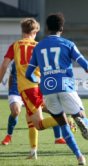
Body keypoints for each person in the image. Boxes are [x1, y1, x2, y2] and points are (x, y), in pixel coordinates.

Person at [26, 13, 88, 165]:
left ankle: (79, 156)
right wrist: (87, 69)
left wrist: (39, 80)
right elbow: (85, 65)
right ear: (61, 28)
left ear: (47, 28)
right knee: (81, 113)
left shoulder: (38, 46)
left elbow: (29, 74)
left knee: (62, 123)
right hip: (65, 85)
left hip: (48, 89)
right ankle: (79, 118)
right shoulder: (68, 44)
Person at [0, 18, 62, 159]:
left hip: (28, 88)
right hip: (36, 86)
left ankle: (65, 121)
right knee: (30, 118)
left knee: (39, 123)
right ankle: (33, 151)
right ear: (34, 32)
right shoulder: (40, 46)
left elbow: (4, 65)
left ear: (22, 31)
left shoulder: (15, 45)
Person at [1, 62, 66, 145]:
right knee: (15, 111)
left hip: (32, 92)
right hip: (16, 91)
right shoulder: (16, 62)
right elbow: (11, 76)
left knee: (53, 109)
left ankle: (58, 138)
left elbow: (42, 78)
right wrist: (10, 92)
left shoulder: (38, 61)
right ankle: (9, 136)